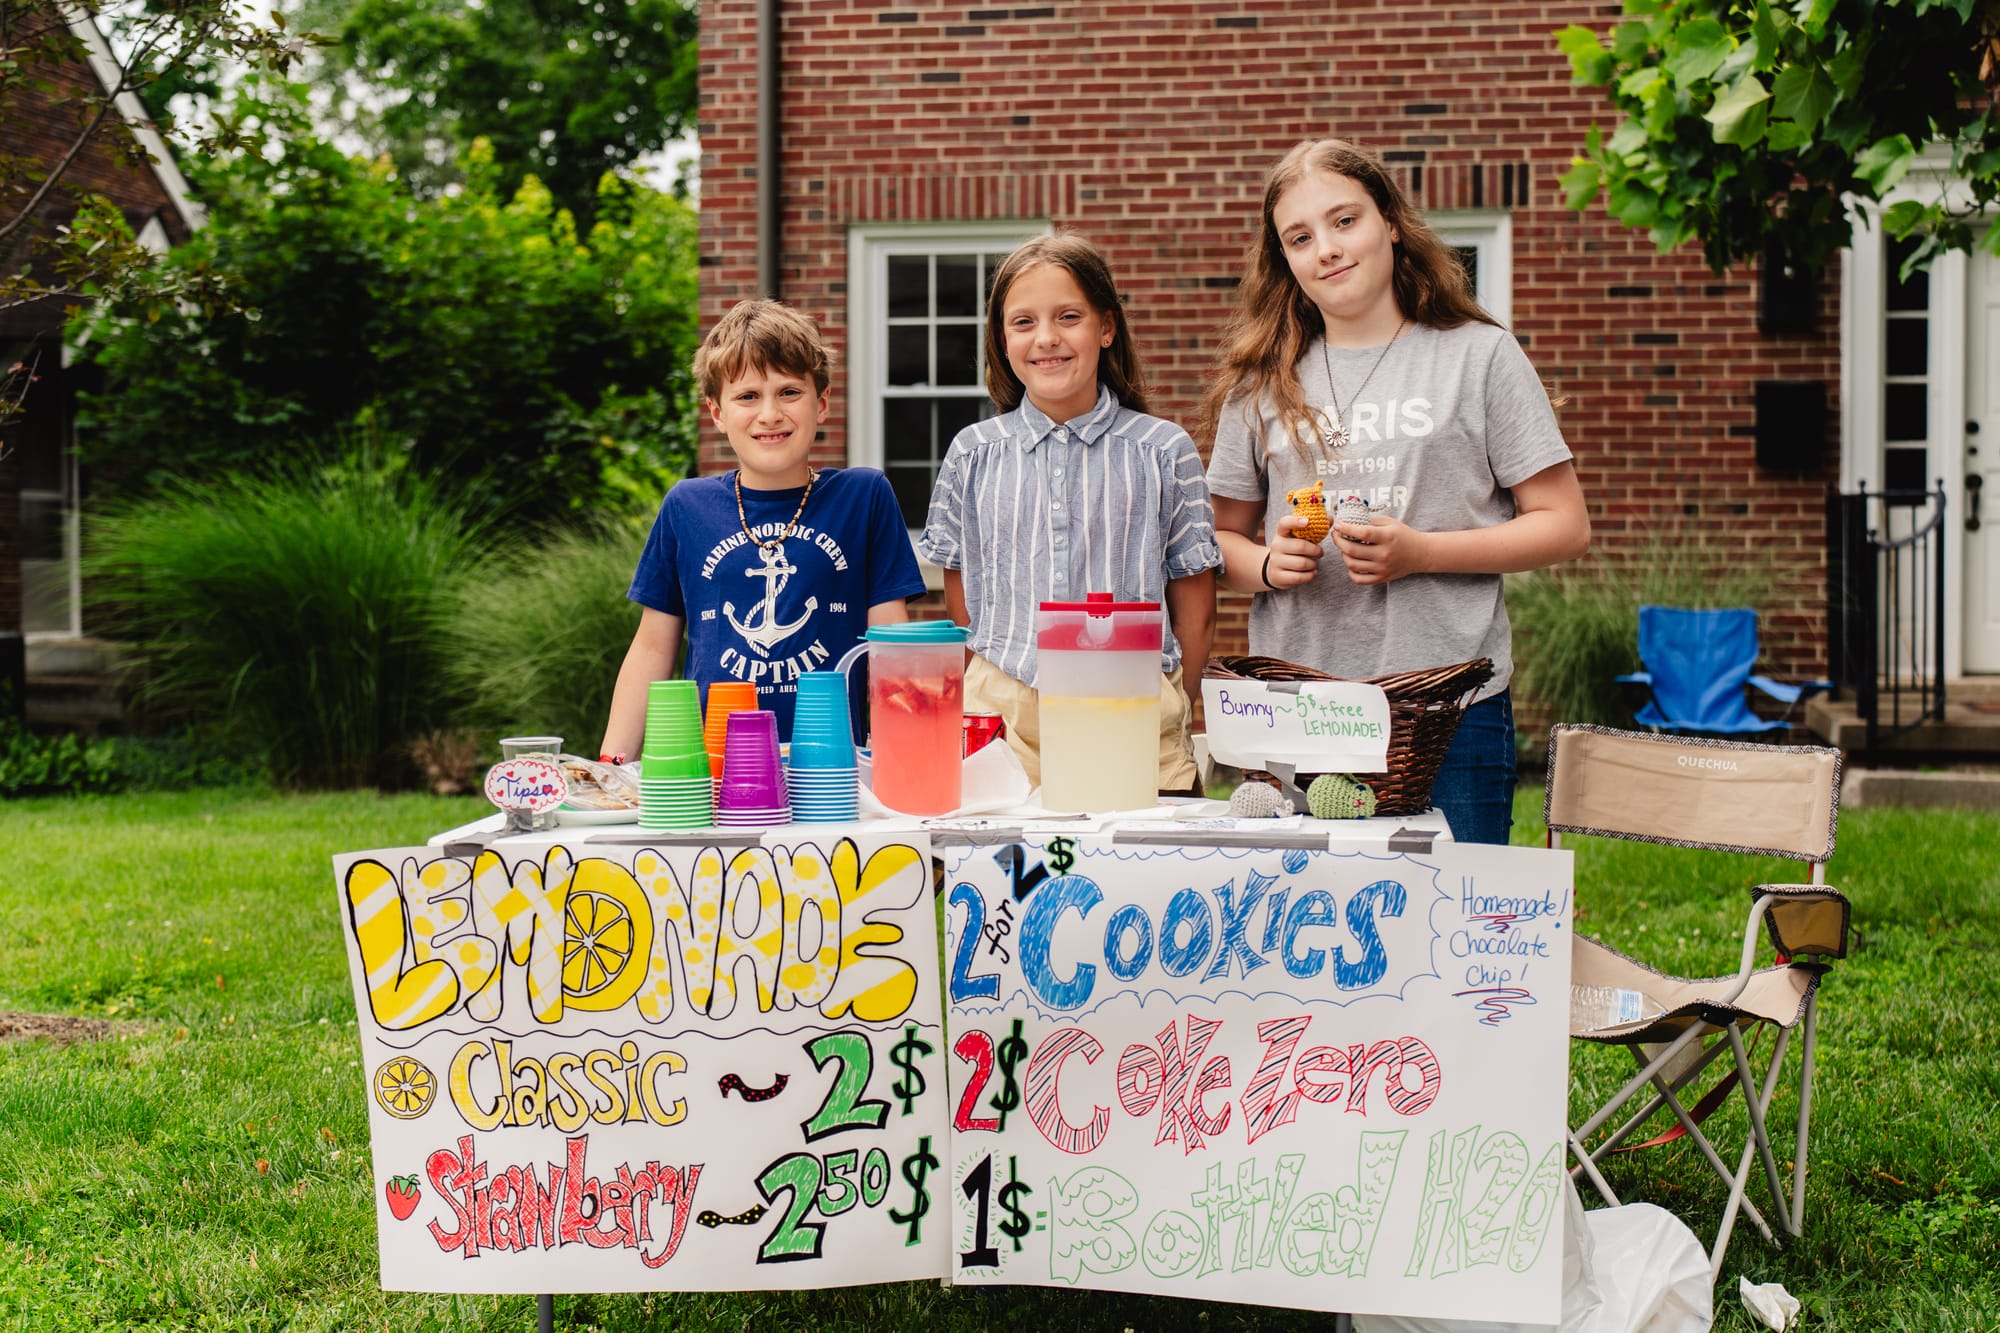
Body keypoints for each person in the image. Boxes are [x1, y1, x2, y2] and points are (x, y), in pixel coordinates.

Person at [1201, 138, 1589, 844]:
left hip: (1448, 709)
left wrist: (1421, 553)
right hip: (1299, 711)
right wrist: (1268, 563)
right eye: (1300, 237)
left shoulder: (1478, 356)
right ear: (1283, 259)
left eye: (1344, 221)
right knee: (1312, 912)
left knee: (1455, 906)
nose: (1327, 249)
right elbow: (1214, 542)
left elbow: (1563, 524)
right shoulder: (1261, 381)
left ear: (1391, 223)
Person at [920, 234, 1221, 796]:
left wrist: (1172, 702)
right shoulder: (972, 453)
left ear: (1106, 328)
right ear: (1002, 340)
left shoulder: (1164, 451)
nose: (1046, 338)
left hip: (1133, 706)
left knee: (1145, 849)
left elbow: (1196, 609)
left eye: (1068, 317)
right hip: (1005, 715)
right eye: (1024, 322)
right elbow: (964, 599)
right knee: (1008, 853)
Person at [599, 299, 926, 761]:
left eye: (789, 392)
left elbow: (891, 646)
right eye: (748, 396)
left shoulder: (864, 497)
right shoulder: (686, 507)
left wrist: (908, 760)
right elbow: (652, 649)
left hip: (831, 766)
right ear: (717, 413)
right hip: (717, 768)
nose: (769, 414)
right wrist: (609, 768)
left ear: (822, 404)